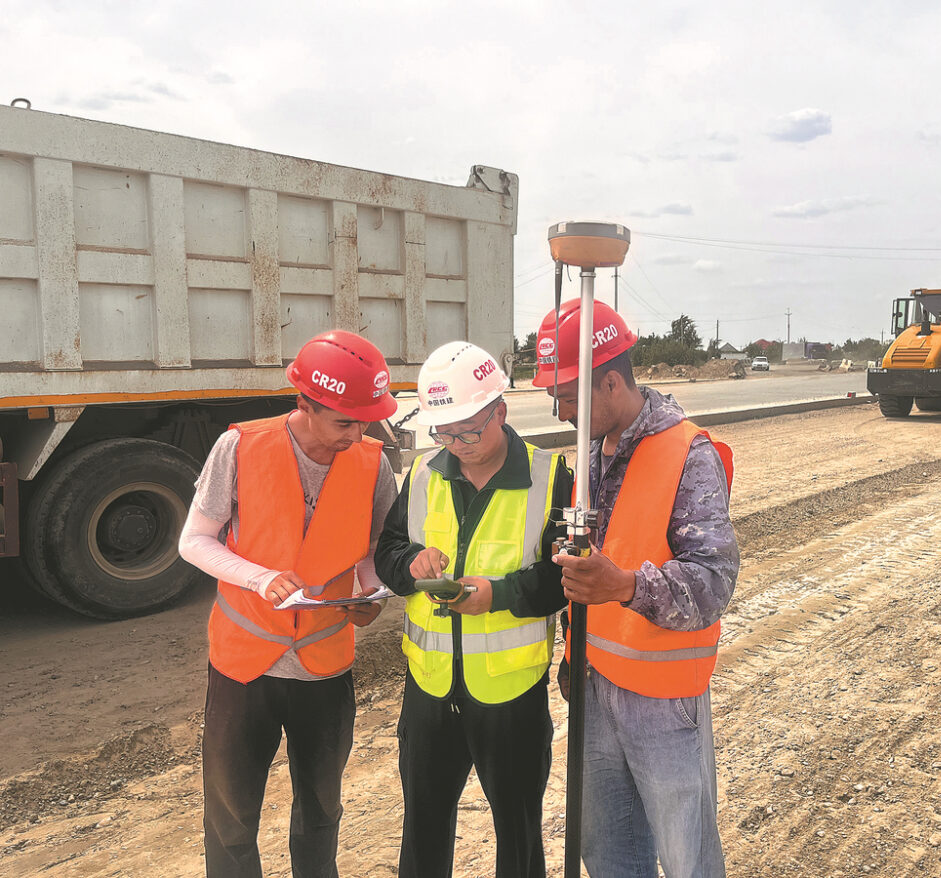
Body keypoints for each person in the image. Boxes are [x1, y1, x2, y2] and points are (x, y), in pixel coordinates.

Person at [178, 329, 399, 878]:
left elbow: (374, 553)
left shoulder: (374, 464)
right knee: (230, 818)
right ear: (304, 403)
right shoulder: (239, 447)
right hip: (243, 665)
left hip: (325, 666)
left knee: (322, 810)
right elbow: (194, 541)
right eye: (344, 421)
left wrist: (372, 595)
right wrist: (259, 578)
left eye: (365, 420)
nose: (358, 432)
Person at [533, 299, 739, 878]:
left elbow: (714, 580)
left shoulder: (688, 452)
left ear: (612, 383)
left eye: (568, 396)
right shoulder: (592, 452)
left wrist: (623, 586)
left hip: (664, 700)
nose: (559, 409)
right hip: (597, 688)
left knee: (686, 856)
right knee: (609, 854)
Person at [373, 341, 572, 878]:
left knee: (519, 832)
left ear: (499, 412)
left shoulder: (553, 478)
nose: (456, 444)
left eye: (468, 430)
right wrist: (412, 563)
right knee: (423, 829)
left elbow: (565, 579)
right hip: (430, 690)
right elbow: (387, 554)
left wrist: (497, 596)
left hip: (510, 694)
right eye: (444, 432)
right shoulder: (420, 475)